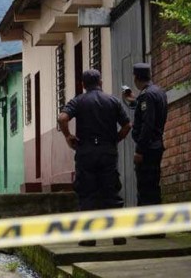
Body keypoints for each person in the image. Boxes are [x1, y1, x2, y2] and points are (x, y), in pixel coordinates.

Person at [58, 69, 132, 247]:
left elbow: (62, 118)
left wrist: (68, 136)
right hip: (107, 151)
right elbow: (127, 125)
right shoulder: (112, 100)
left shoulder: (78, 101)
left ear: (83, 85)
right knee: (111, 192)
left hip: (86, 152)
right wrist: (115, 139)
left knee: (87, 193)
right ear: (100, 82)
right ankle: (118, 234)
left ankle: (89, 237)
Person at [123, 63, 168, 238]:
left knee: (146, 187)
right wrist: (134, 101)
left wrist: (140, 150)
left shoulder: (147, 96)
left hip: (148, 148)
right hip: (156, 145)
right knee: (153, 186)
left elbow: (148, 124)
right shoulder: (158, 92)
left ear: (136, 77)